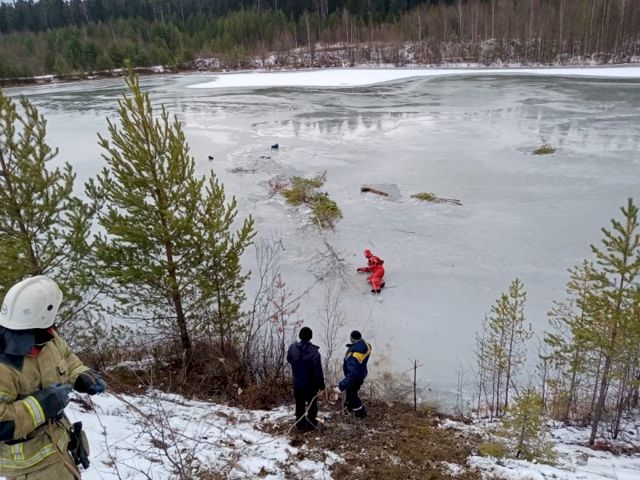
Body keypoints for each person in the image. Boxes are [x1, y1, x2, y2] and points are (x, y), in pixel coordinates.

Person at [0, 276, 106, 480]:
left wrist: (80, 374)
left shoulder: (46, 337)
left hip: (57, 447)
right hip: (29, 467)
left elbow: (66, 356)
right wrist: (40, 405)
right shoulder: (5, 364)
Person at [286, 327, 325, 431]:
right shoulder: (314, 352)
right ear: (310, 337)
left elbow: (289, 359)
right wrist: (321, 385)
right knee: (312, 405)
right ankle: (311, 424)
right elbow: (318, 371)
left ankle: (300, 424)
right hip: (310, 385)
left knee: (299, 404)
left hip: (297, 383)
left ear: (300, 336)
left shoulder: (292, 348)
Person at [334, 330, 371, 419]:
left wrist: (341, 387)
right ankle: (348, 408)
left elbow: (352, 374)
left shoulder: (353, 356)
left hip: (355, 377)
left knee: (352, 395)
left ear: (351, 339)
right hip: (361, 372)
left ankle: (361, 414)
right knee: (350, 392)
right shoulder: (366, 346)